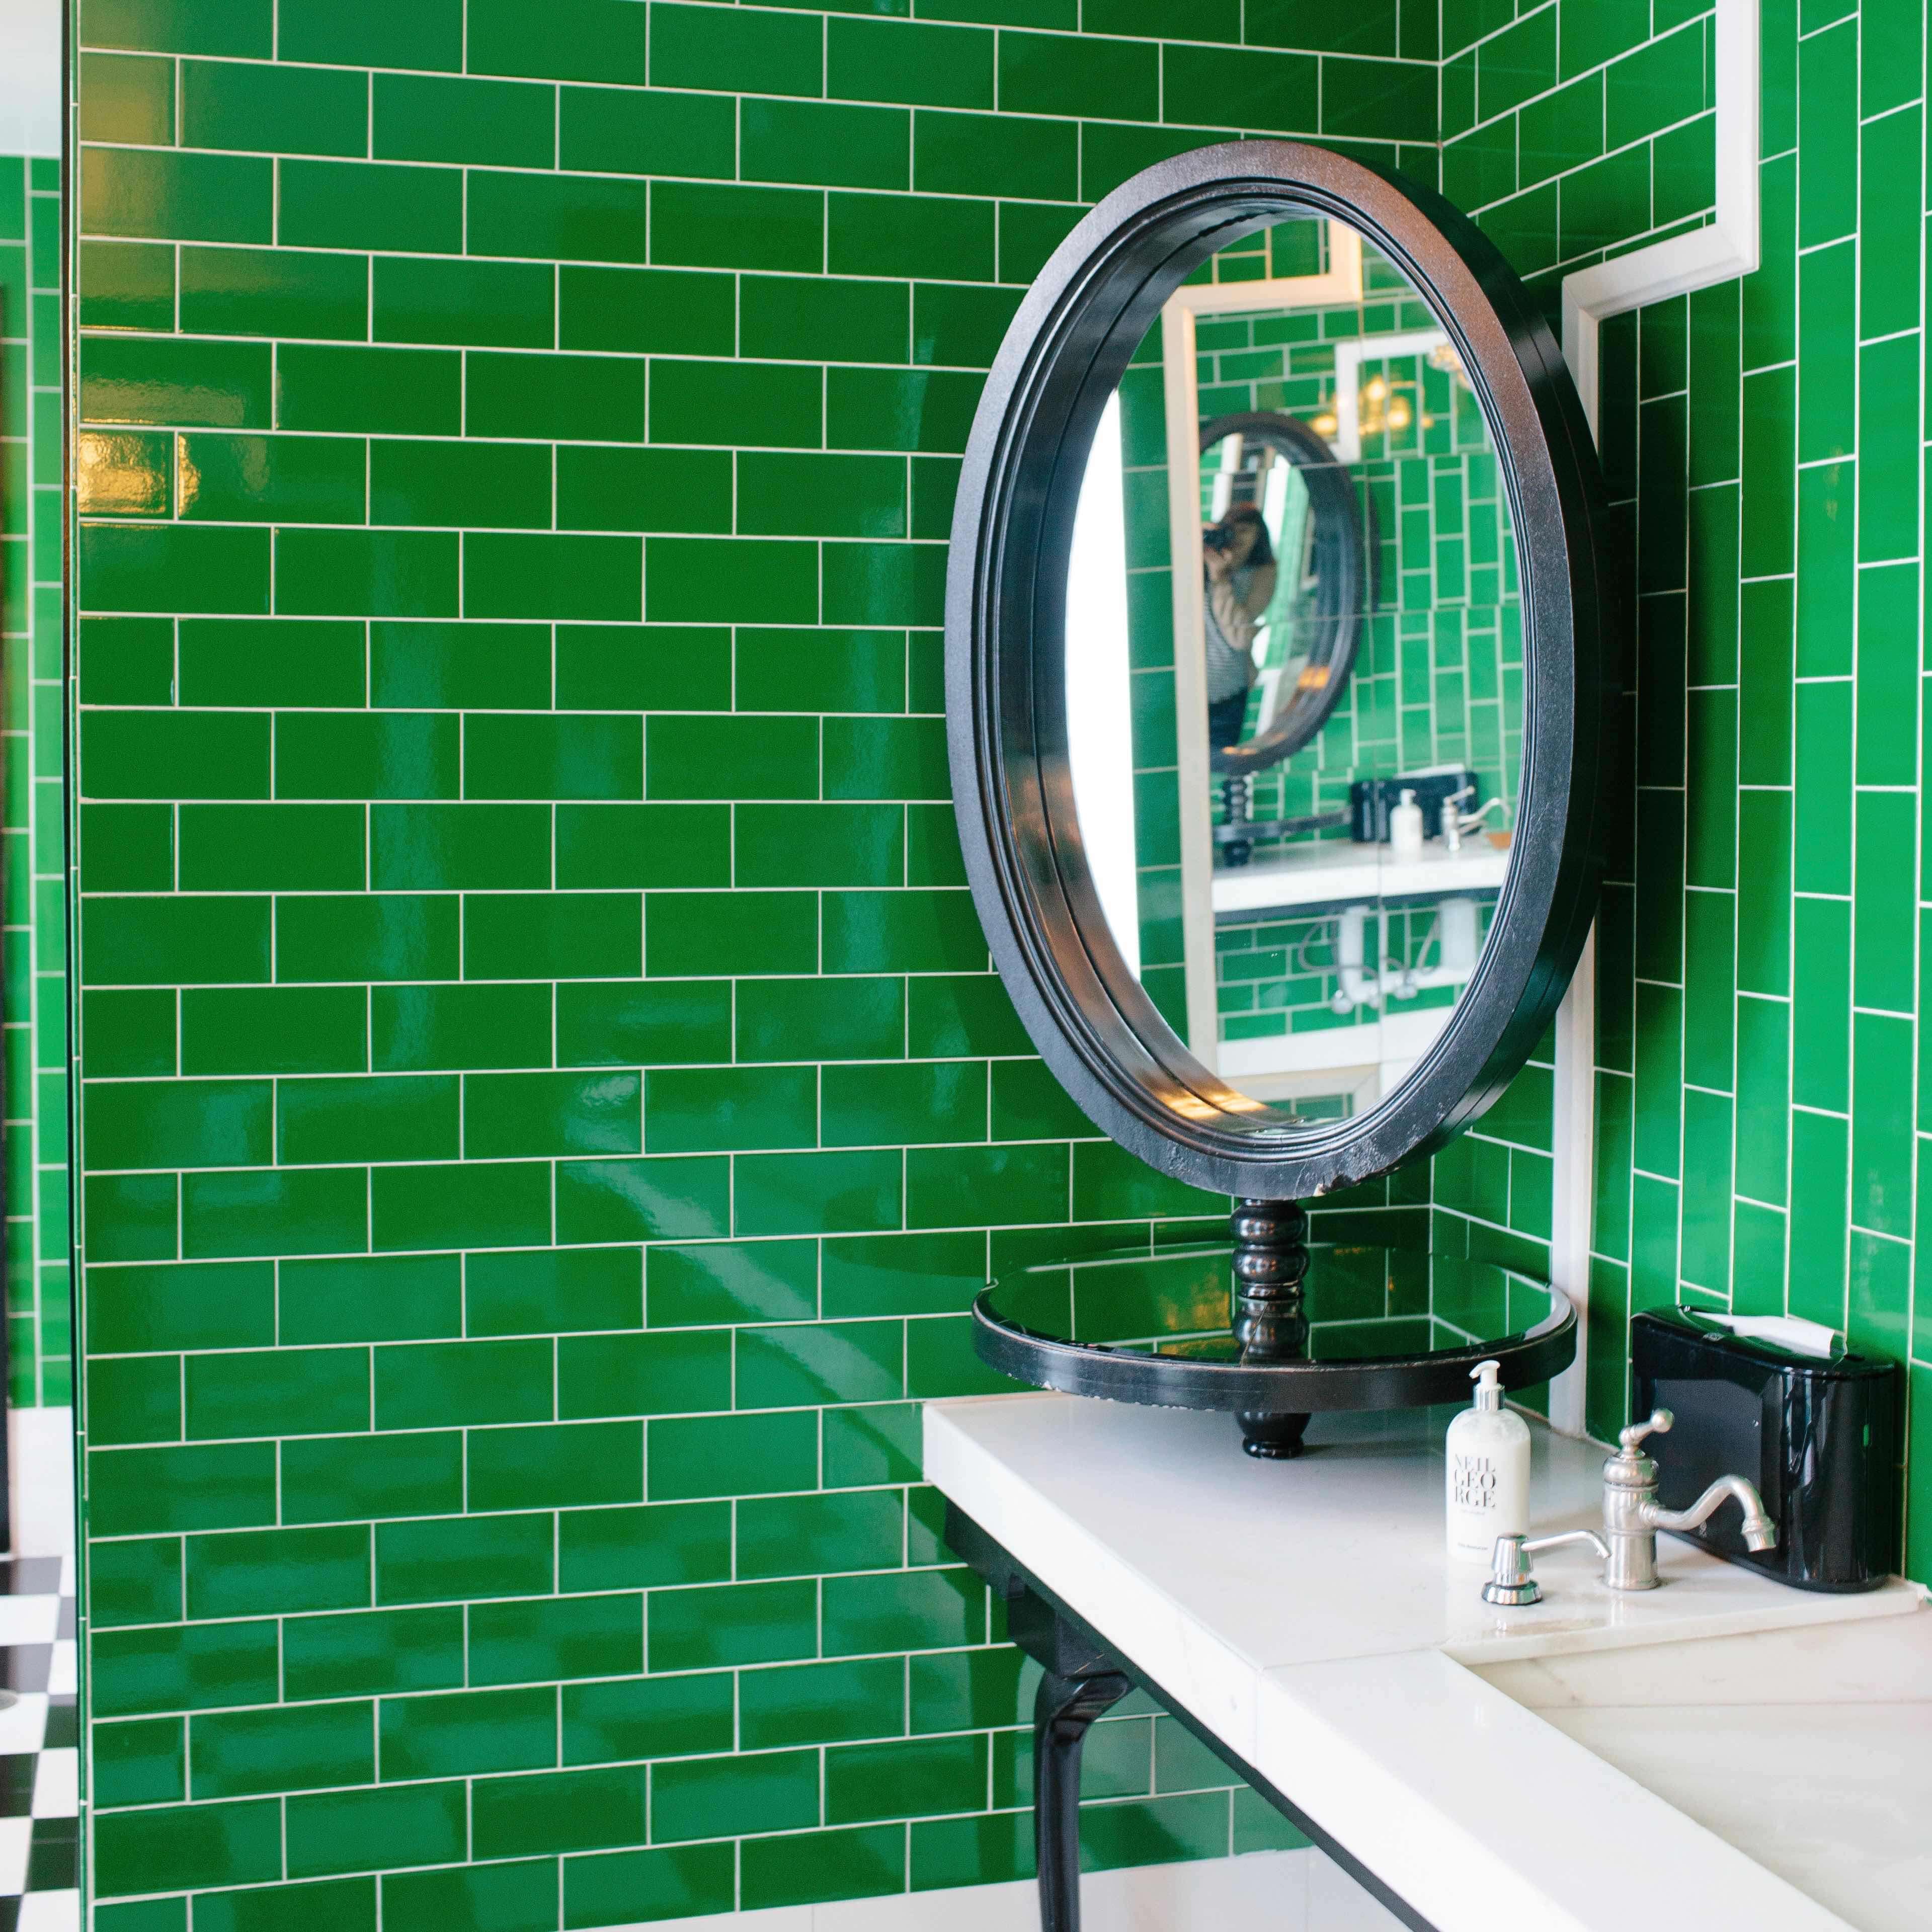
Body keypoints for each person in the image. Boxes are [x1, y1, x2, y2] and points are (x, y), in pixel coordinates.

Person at [1202, 504, 1277, 750]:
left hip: (1227, 690)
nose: (1236, 537)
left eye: (1245, 531)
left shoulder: (1261, 573)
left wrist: (1221, 579)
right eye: (1230, 530)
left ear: (1259, 536)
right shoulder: (1201, 559)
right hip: (1186, 688)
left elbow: (1239, 637)